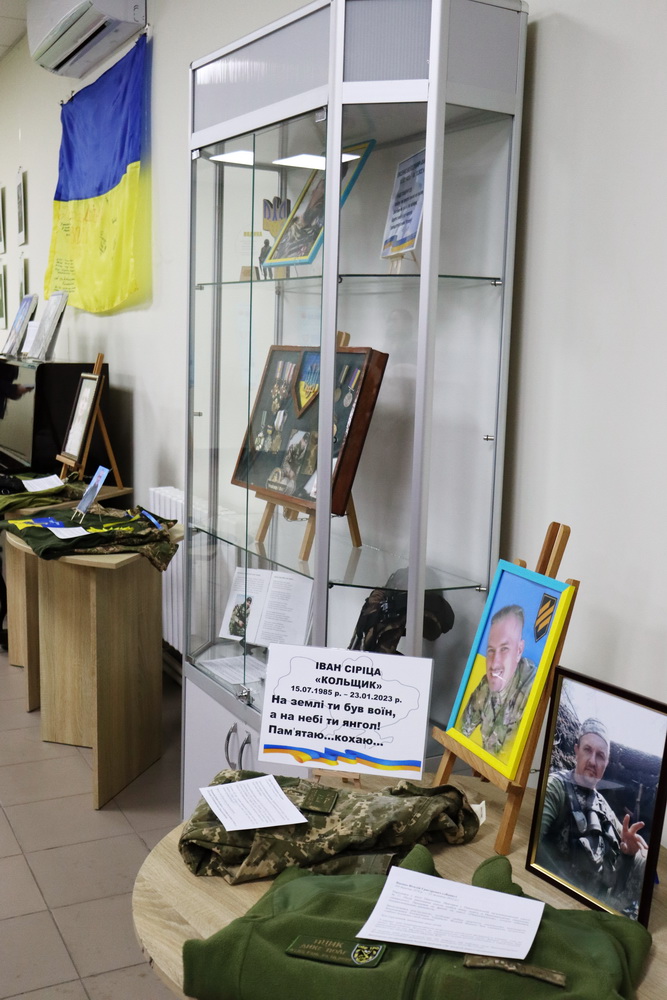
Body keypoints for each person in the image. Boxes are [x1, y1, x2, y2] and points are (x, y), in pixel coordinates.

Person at [537, 718, 647, 916]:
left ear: (606, 763)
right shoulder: (556, 787)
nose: (593, 761)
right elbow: (534, 845)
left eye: (600, 755)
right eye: (587, 750)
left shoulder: (604, 807)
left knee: (645, 859)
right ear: (576, 750)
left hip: (597, 903)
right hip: (559, 898)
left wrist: (630, 851)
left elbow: (622, 853)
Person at [458, 604, 536, 755]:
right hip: (483, 766)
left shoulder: (531, 691)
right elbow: (459, 733)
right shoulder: (486, 684)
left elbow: (509, 759)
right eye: (491, 651)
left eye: (504, 649)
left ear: (519, 650)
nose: (494, 663)